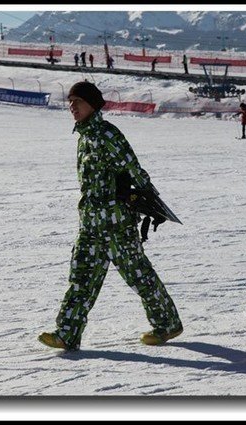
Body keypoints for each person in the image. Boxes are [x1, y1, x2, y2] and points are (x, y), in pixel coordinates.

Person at [38, 81, 183, 350]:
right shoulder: (84, 138)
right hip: (91, 224)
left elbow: (134, 170)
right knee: (80, 278)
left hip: (117, 224)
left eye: (77, 101)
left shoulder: (107, 135)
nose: (72, 107)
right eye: (70, 102)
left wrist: (145, 200)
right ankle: (67, 333)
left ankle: (168, 323)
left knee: (139, 276)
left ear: (92, 104)